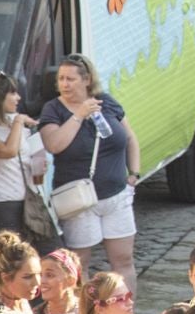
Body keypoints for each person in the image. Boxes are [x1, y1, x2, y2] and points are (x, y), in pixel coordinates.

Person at [38, 54, 140, 285]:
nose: (64, 84)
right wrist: (78, 115)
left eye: (71, 79)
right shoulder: (53, 109)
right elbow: (54, 144)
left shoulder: (106, 102)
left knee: (123, 260)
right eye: (61, 79)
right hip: (79, 200)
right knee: (78, 264)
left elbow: (130, 137)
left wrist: (134, 173)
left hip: (116, 194)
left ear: (87, 80)